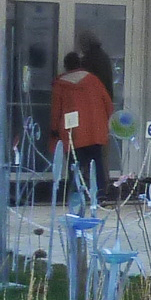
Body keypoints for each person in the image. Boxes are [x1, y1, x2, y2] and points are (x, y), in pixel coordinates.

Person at [49, 49, 113, 200]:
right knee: (96, 163)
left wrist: (53, 130)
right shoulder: (93, 80)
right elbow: (108, 104)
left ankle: (77, 195)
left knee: (75, 165)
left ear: (66, 66)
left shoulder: (60, 85)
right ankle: (100, 193)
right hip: (95, 131)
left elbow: (56, 111)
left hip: (73, 133)